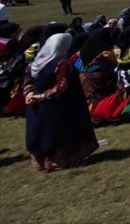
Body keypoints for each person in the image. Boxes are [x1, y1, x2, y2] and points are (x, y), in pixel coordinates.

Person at [23, 33, 99, 172]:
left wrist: (29, 94)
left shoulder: (37, 62)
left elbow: (28, 80)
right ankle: (59, 161)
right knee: (57, 133)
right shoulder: (62, 63)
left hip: (36, 105)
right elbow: (61, 86)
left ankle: (43, 162)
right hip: (56, 105)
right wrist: (42, 96)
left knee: (41, 131)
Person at [77, 27, 126, 123]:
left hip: (86, 76)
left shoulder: (86, 48)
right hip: (102, 76)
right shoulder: (105, 51)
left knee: (92, 99)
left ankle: (90, 117)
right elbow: (115, 62)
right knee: (102, 97)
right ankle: (98, 116)